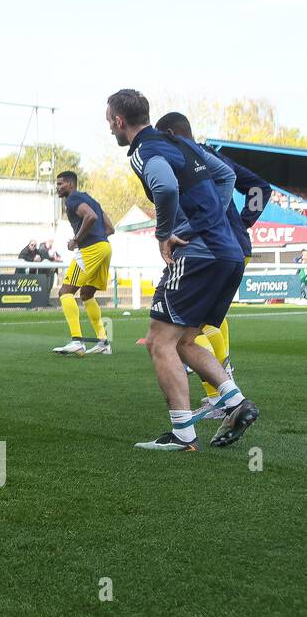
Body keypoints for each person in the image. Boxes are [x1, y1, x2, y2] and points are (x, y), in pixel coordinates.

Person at [107, 89, 259, 451]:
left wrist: (169, 233)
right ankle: (236, 403)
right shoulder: (182, 143)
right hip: (229, 253)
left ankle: (182, 435)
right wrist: (210, 218)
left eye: (108, 122)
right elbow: (224, 177)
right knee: (186, 340)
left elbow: (165, 184)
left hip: (198, 255)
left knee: (160, 341)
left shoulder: (145, 150)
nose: (110, 129)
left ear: (118, 121)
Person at [155, 111, 270, 421]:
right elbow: (259, 187)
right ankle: (223, 388)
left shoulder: (192, 155)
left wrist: (238, 222)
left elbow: (260, 187)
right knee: (206, 324)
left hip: (213, 247)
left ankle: (219, 395)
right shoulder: (209, 156)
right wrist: (241, 223)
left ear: (170, 134)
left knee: (188, 331)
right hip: (231, 246)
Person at [51, 171, 114, 356]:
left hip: (91, 250)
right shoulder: (91, 199)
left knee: (65, 292)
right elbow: (110, 228)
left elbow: (91, 217)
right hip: (105, 248)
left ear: (71, 184)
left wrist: (77, 240)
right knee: (87, 294)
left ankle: (77, 341)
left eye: (60, 184)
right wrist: (98, 238)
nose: (58, 187)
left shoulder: (73, 199)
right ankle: (103, 342)